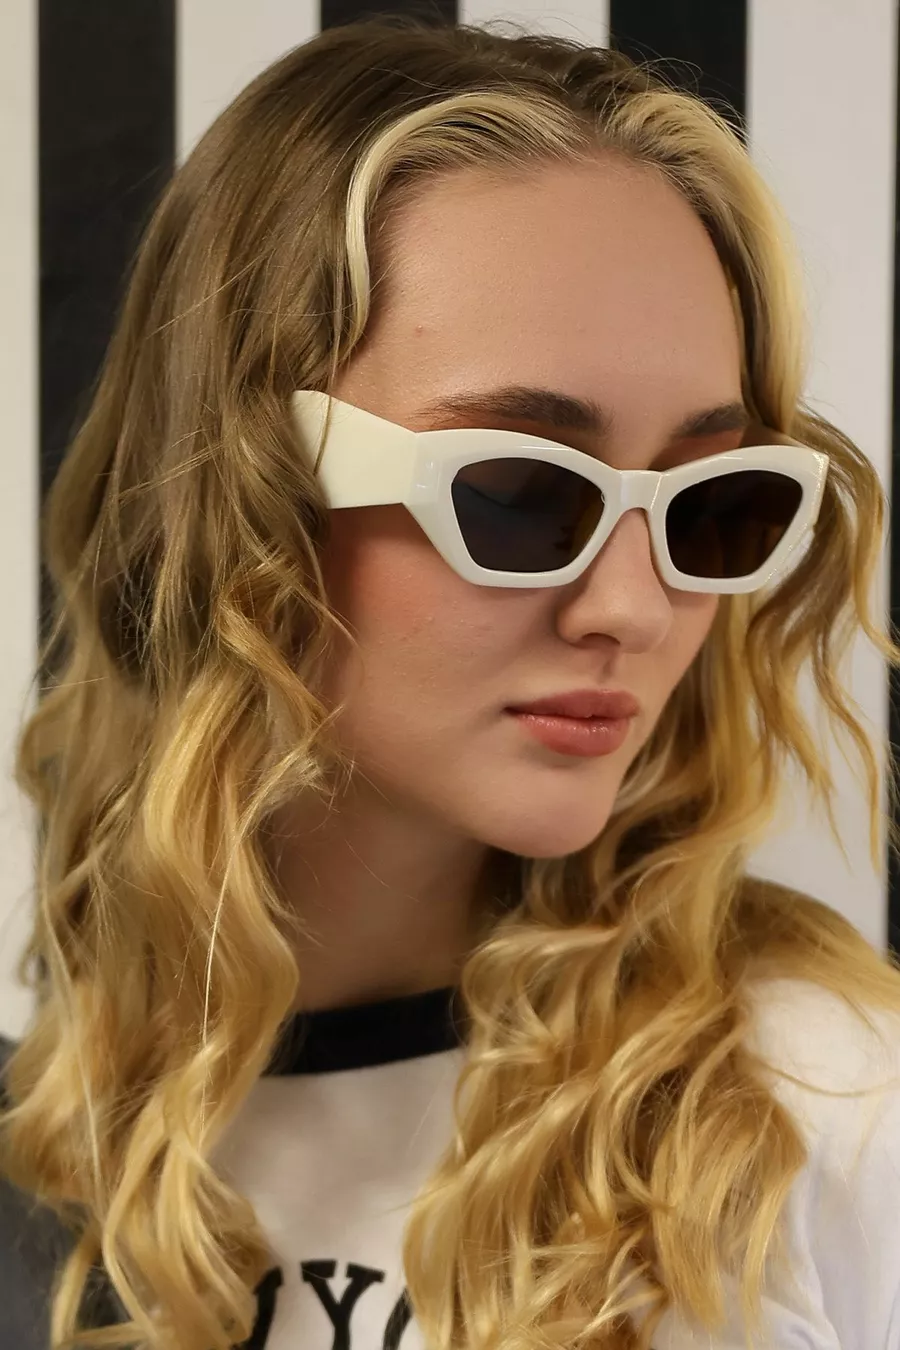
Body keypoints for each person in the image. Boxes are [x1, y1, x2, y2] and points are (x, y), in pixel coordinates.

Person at [1, 13, 899, 1350]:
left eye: (714, 505)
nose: (634, 608)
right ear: (241, 499)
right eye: (520, 492)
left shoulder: (824, 1117)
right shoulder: (59, 1122)